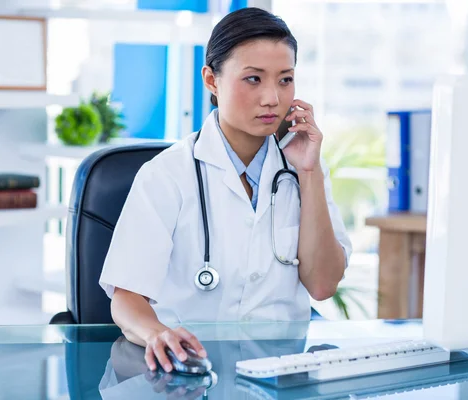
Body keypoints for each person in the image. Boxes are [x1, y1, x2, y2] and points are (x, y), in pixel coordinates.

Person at [98, 7, 352, 374]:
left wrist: (309, 172)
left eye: (285, 80)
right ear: (211, 80)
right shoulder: (167, 175)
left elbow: (323, 284)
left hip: (279, 373)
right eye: (253, 79)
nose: (272, 98)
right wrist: (158, 335)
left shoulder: (303, 167)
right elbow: (125, 299)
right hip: (185, 374)